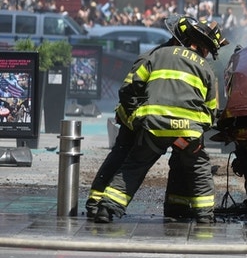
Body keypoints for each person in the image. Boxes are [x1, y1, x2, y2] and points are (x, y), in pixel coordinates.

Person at [93, 15, 229, 224]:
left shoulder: (155, 55)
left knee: (135, 165)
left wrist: (138, 118)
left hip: (154, 129)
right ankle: (204, 216)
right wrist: (196, 130)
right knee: (198, 167)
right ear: (200, 46)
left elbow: (128, 88)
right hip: (185, 134)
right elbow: (211, 111)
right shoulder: (205, 68)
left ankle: (106, 208)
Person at [84, 31, 177, 219]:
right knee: (122, 157)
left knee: (121, 157)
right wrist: (137, 118)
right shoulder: (153, 57)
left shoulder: (162, 56)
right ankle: (97, 201)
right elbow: (127, 89)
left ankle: (96, 201)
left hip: (140, 117)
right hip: (133, 116)